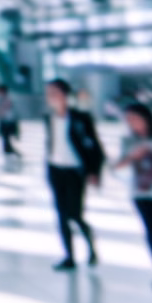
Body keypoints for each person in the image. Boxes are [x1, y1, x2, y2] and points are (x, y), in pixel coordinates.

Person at [45, 78, 105, 271]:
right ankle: (69, 256)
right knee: (62, 216)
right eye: (49, 93)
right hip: (56, 170)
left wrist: (94, 171)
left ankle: (91, 249)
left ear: (65, 95)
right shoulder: (48, 117)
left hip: (75, 172)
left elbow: (95, 146)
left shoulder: (80, 118)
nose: (50, 97)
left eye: (54, 92)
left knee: (75, 215)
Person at [114, 103, 152, 291]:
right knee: (151, 234)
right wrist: (132, 156)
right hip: (140, 194)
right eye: (128, 120)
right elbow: (117, 167)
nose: (131, 123)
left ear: (146, 118)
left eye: (134, 118)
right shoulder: (128, 142)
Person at [0, 84, 21, 159]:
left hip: (7, 123)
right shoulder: (5, 98)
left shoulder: (6, 99)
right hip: (6, 122)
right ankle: (11, 153)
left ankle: (13, 153)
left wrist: (0, 112)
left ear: (2, 91)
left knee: (6, 140)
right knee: (6, 140)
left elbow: (4, 111)